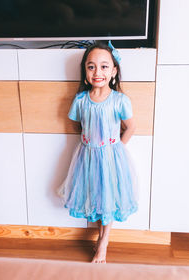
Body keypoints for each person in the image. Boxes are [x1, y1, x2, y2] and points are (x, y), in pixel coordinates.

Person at [59, 41, 138, 263]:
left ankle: (103, 243)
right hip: (88, 156)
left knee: (109, 199)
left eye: (104, 66)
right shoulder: (81, 100)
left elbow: (131, 127)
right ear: (85, 72)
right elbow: (77, 125)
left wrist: (117, 148)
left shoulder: (120, 100)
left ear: (113, 71)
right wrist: (89, 141)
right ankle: (101, 236)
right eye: (91, 66)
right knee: (96, 197)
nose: (97, 72)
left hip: (111, 157)